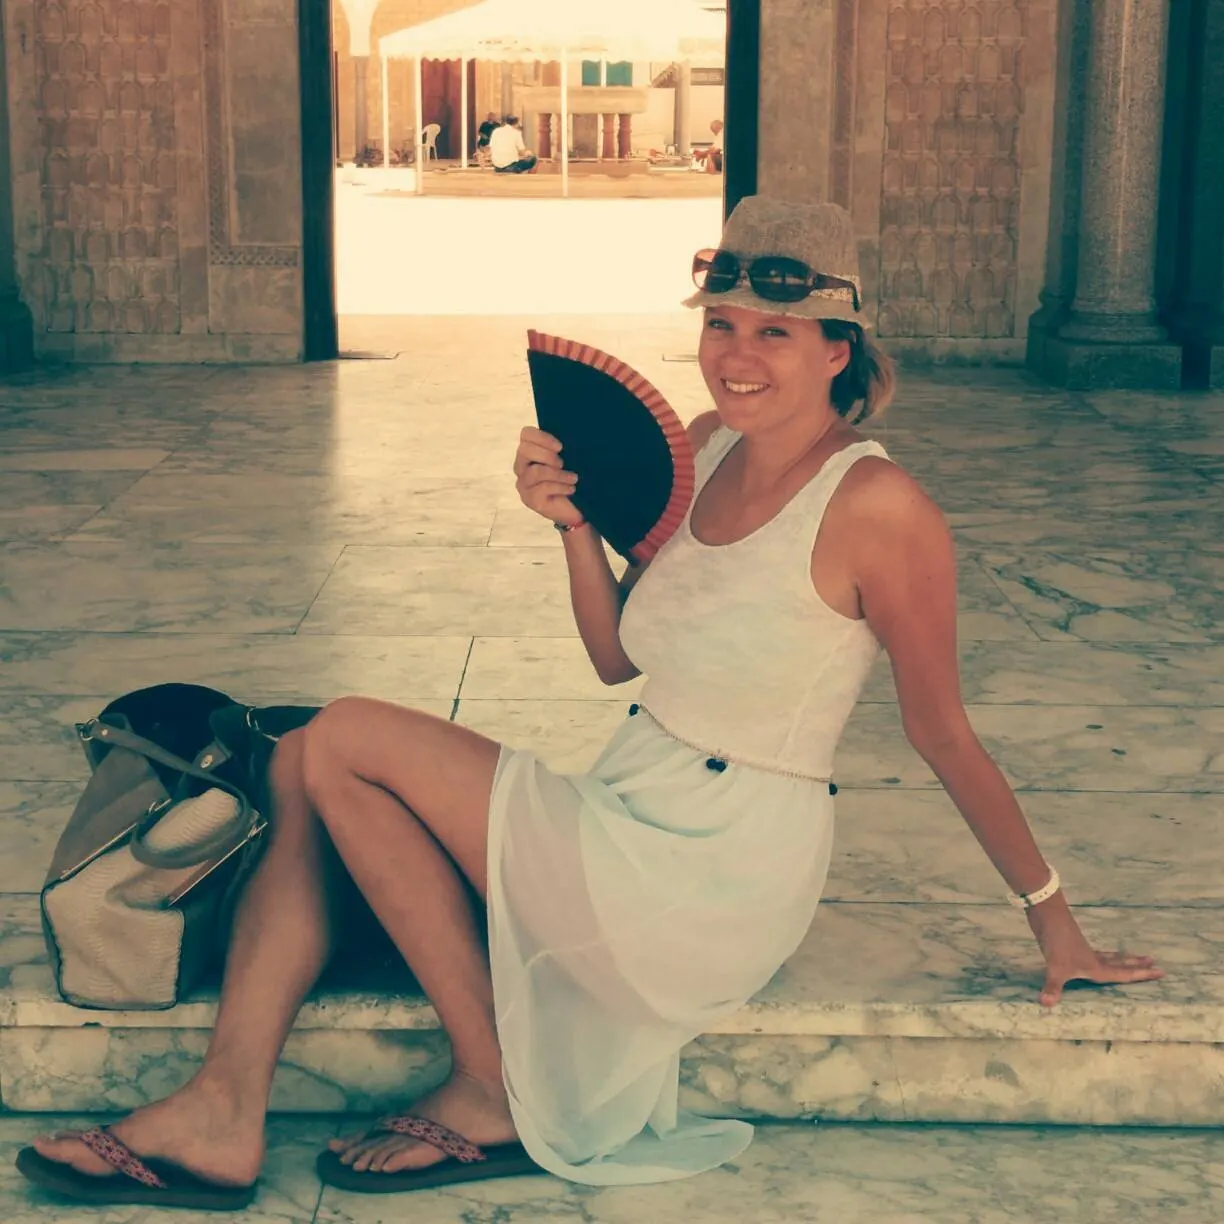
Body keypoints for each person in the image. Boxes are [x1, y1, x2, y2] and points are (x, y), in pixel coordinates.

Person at [15, 198, 1165, 1209]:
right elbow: (619, 658)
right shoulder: (705, 447)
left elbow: (942, 734)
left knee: (346, 731)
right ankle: (228, 1105)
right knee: (306, 758)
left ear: (838, 349)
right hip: (628, 801)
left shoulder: (880, 508)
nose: (736, 356)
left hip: (719, 868)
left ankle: (485, 1083)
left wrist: (1053, 922)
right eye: (721, 324)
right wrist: (571, 526)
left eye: (775, 332)